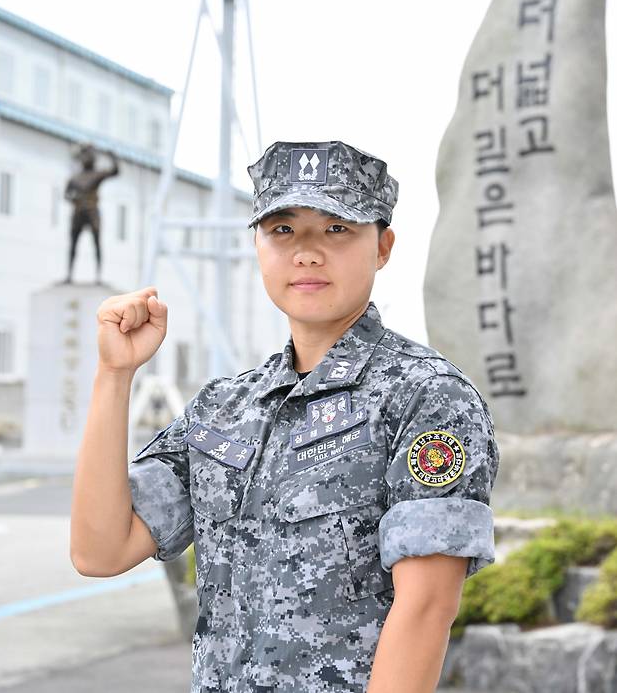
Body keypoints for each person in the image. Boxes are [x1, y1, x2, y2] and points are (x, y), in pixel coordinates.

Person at [70, 139, 500, 693]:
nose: (307, 252)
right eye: (282, 230)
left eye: (337, 228)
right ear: (257, 244)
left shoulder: (425, 397)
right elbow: (100, 550)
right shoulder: (225, 408)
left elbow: (427, 608)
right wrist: (114, 377)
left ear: (383, 246)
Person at [63, 143, 119, 284]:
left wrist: (113, 157)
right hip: (78, 211)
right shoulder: (75, 178)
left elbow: (114, 171)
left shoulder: (96, 174)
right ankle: (69, 275)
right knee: (73, 244)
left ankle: (98, 276)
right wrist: (74, 199)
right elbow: (66, 194)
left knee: (96, 243)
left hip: (92, 211)